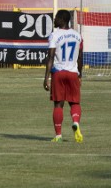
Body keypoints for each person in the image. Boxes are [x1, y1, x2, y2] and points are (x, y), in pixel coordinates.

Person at [43, 9, 83, 143]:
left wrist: (46, 78)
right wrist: (80, 75)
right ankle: (76, 122)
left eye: (56, 18)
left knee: (58, 105)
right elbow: (80, 57)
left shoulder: (54, 35)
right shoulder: (78, 35)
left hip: (59, 72)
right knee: (75, 102)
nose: (54, 20)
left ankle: (58, 135)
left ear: (62, 19)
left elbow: (50, 56)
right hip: (73, 72)